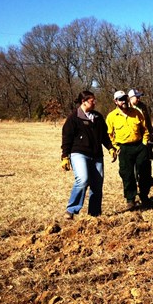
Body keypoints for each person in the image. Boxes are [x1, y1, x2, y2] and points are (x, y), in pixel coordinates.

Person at [61, 90, 117, 219]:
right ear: (84, 102)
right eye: (92, 101)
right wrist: (65, 156)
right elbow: (67, 138)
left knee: (97, 184)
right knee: (82, 179)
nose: (95, 103)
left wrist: (110, 148)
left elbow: (104, 136)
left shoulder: (98, 117)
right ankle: (71, 210)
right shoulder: (73, 118)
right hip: (79, 153)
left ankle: (94, 214)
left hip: (96, 155)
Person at [106, 90, 151, 210]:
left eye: (125, 98)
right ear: (115, 101)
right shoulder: (111, 117)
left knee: (144, 171)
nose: (124, 101)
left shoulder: (137, 112)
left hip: (139, 145)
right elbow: (109, 135)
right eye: (120, 99)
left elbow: (145, 129)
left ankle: (144, 196)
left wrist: (145, 143)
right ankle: (130, 199)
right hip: (124, 148)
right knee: (127, 174)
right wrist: (115, 147)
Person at [128, 88, 153, 181]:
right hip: (133, 137)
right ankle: (135, 178)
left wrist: (150, 134)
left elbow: (147, 121)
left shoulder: (143, 106)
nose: (139, 99)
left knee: (146, 158)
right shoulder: (126, 107)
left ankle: (147, 177)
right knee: (133, 160)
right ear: (131, 98)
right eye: (137, 97)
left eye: (139, 97)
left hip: (144, 136)